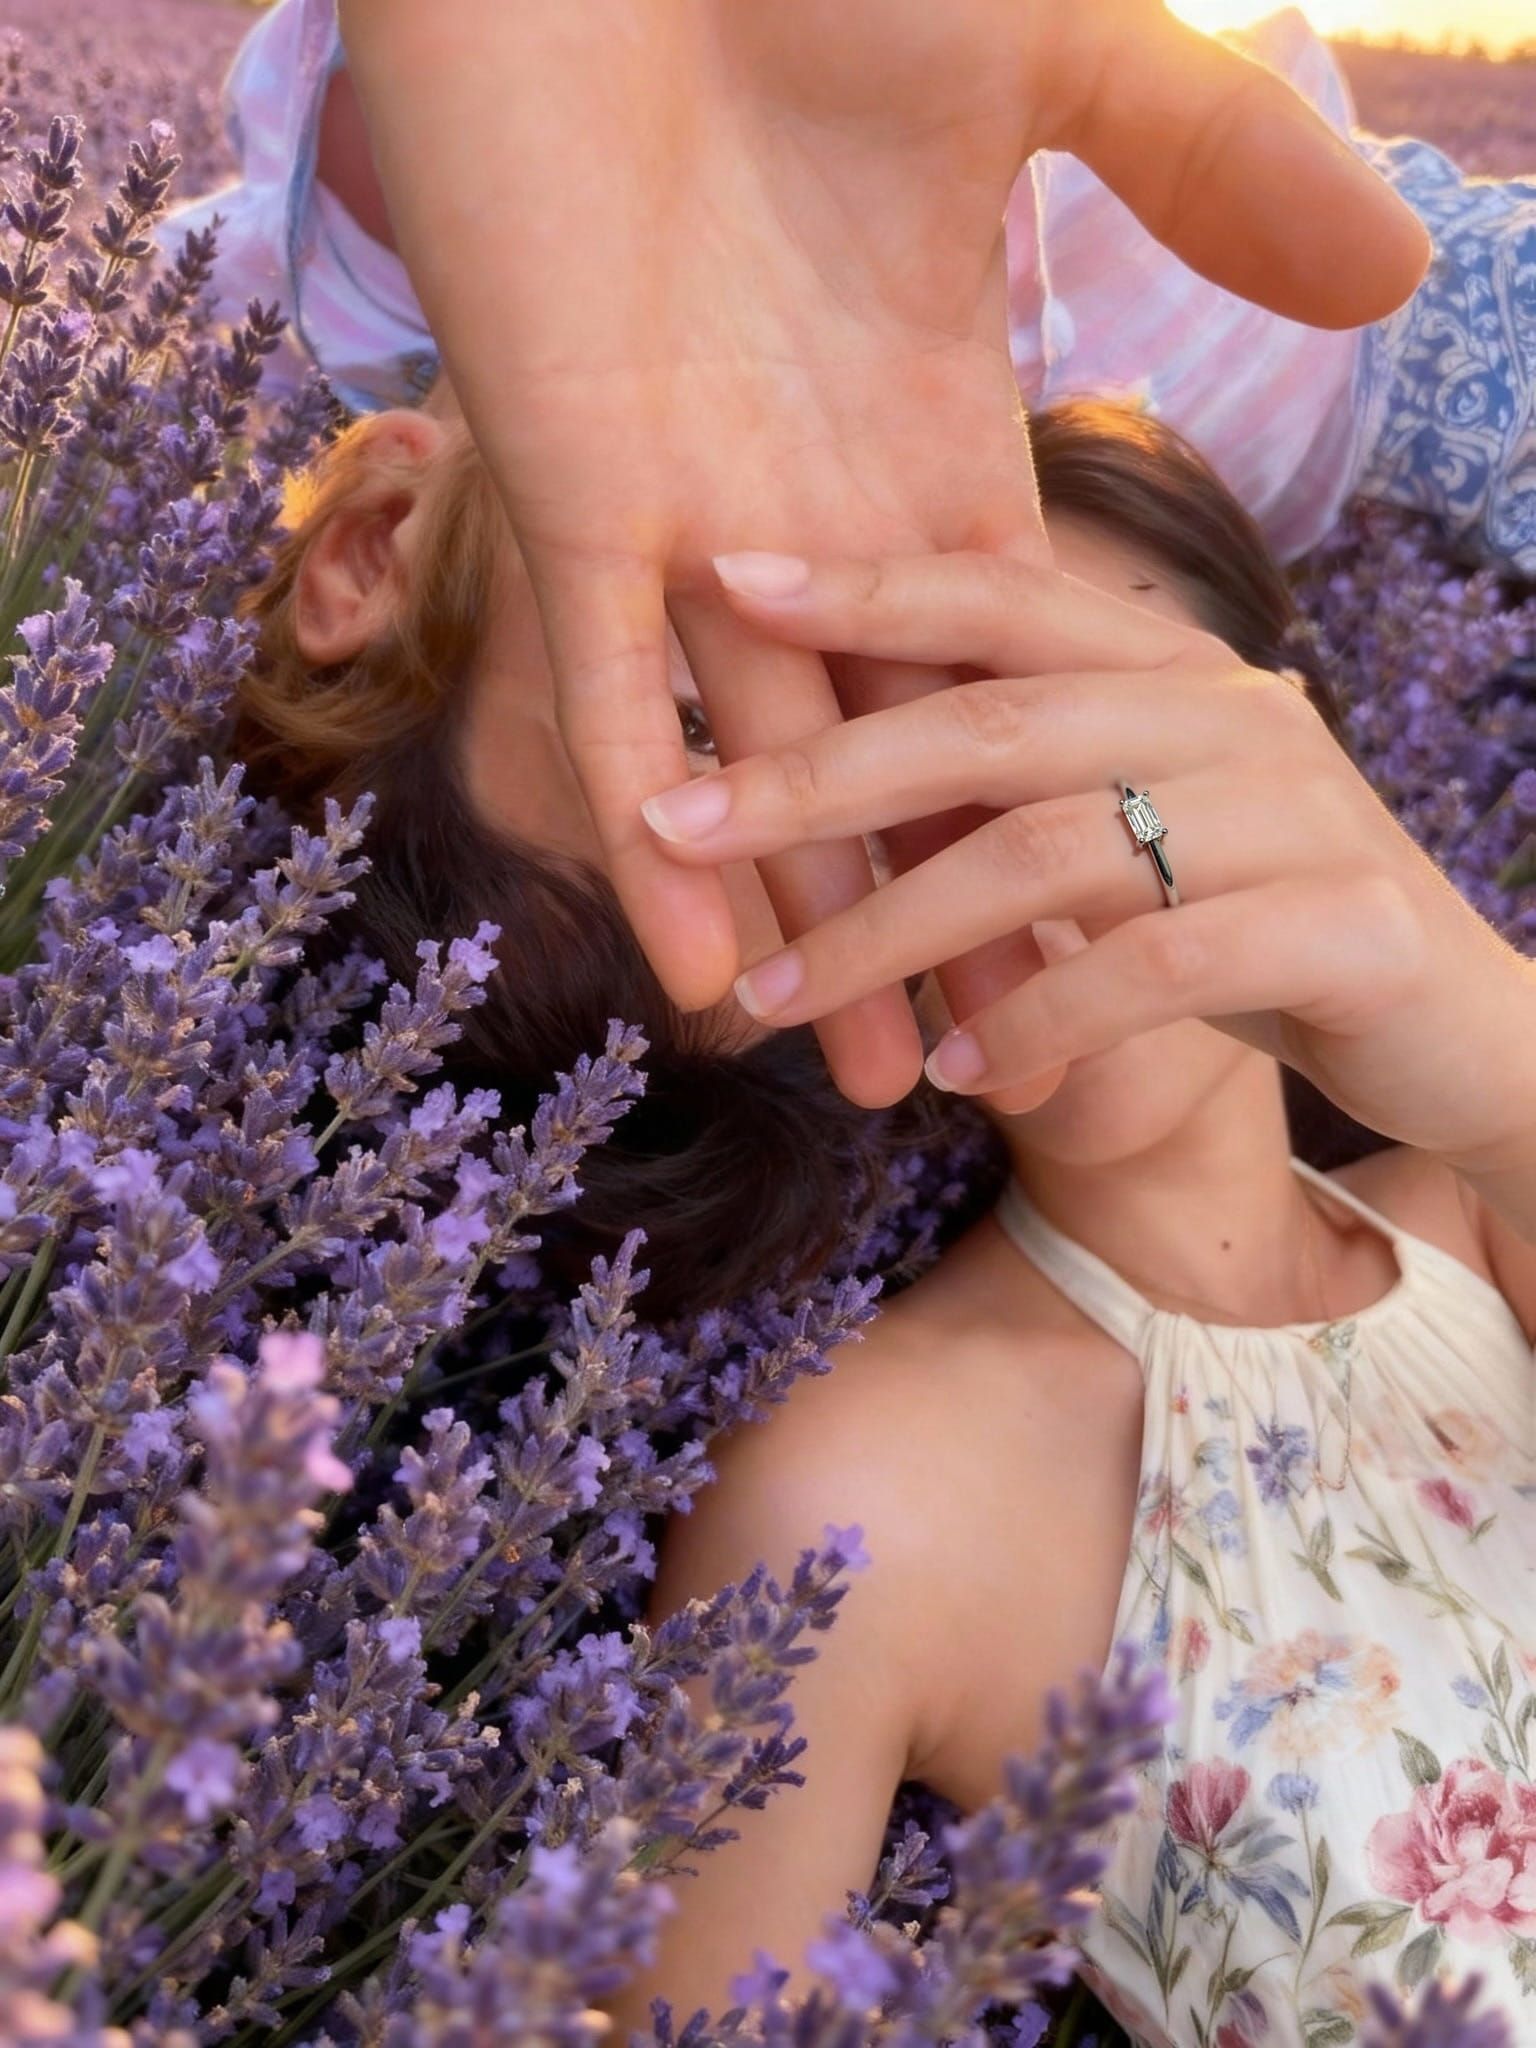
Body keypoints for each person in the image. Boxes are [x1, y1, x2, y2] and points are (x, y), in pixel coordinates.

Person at [231, 375, 1536, 2039]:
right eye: (877, 783)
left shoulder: (1491, 1203)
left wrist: (1480, 1023)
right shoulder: (857, 1501)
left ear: (1301, 751)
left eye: (1068, 712)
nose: (1025, 838)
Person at [154, 0, 1433, 1111]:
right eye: (884, 840)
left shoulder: (194, 325)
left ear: (372, 549)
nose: (862, 710)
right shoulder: (1233, 436)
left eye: (704, 734)